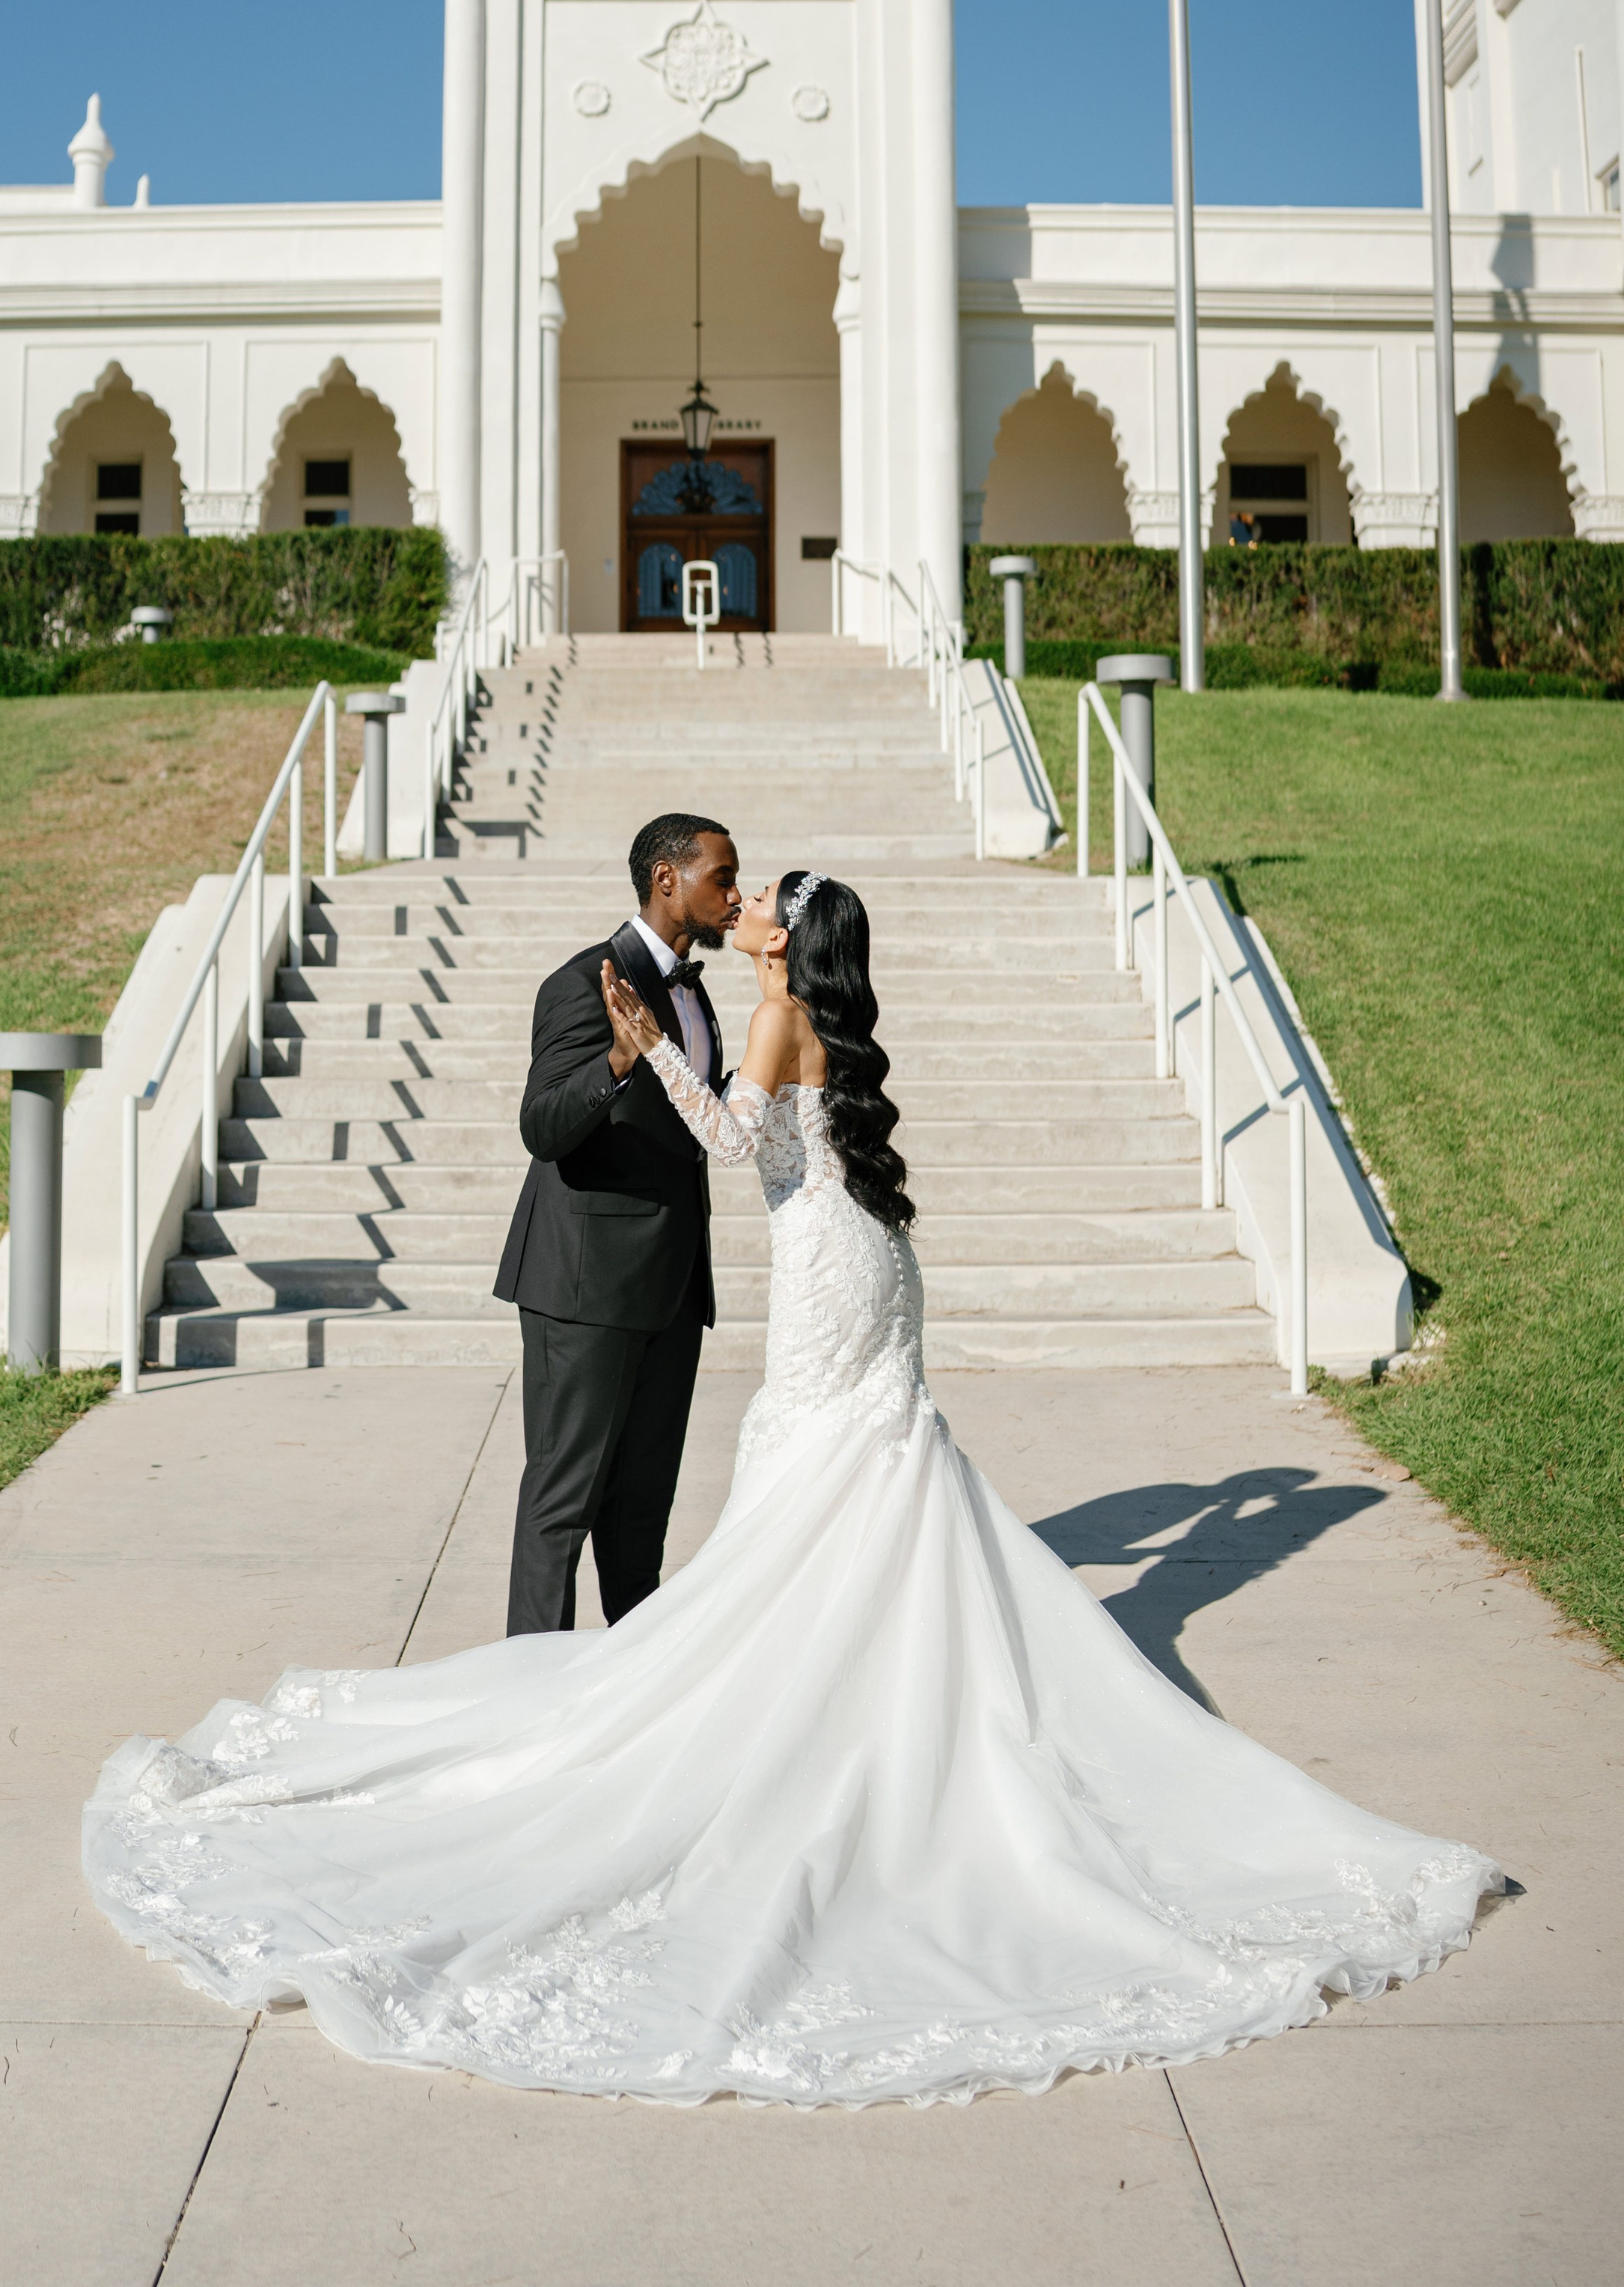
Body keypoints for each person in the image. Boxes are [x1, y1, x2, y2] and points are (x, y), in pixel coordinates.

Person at [82, 868, 1501, 2107]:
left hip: (826, 1273)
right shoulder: (823, 1020)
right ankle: (865, 1685)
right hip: (874, 1266)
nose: (746, 903)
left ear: (786, 940)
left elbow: (729, 1145)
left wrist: (655, 1058)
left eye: (766, 899)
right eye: (738, 888)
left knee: (809, 1464)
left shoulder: (769, 1015)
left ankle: (782, 1706)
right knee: (872, 1473)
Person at [490, 811, 740, 1635]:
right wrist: (616, 1061)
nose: (734, 896)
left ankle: (631, 1706)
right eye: (721, 879)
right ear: (668, 879)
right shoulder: (585, 981)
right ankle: (528, 1696)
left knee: (641, 1517)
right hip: (584, 1284)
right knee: (562, 1505)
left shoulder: (694, 991)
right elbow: (542, 1126)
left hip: (670, 1291)